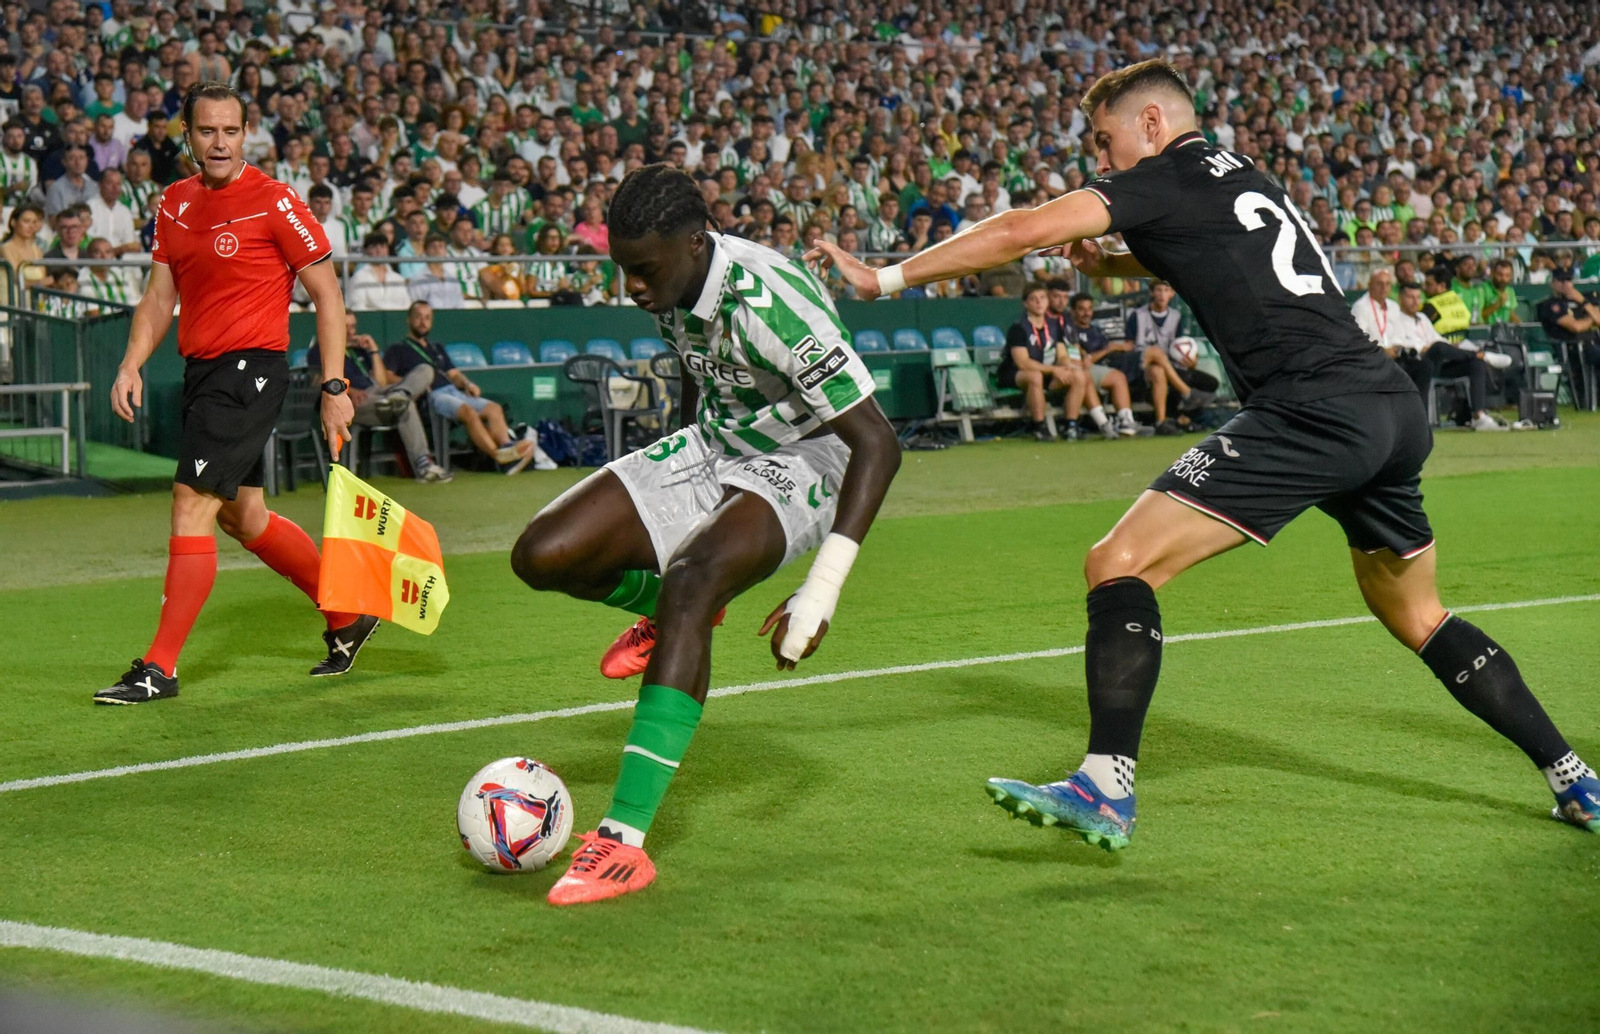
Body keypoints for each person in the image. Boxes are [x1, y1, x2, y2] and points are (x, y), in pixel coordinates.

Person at [808, 59, 1597, 849]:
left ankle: (1105, 785)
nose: (1102, 158)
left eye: (1105, 138)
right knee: (1419, 613)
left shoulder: (1167, 171)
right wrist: (1114, 263)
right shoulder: (1240, 173)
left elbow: (1020, 230)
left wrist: (884, 278)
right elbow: (1210, 252)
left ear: (1152, 123)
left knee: (1118, 563)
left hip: (1310, 408)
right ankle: (1574, 778)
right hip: (1387, 407)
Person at [510, 164, 901, 905]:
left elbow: (879, 443)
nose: (631, 286)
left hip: (814, 452)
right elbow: (698, 365)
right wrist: (682, 466)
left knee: (694, 579)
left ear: (697, 242)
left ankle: (622, 844)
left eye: (643, 269)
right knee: (542, 553)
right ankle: (669, 614)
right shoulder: (673, 277)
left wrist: (820, 591)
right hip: (718, 442)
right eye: (623, 269)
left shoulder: (773, 303)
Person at [99, 82, 377, 706]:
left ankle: (159, 668)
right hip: (202, 374)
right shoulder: (173, 203)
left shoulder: (276, 202)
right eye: (206, 131)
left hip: (251, 369)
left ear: (245, 133)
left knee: (190, 502)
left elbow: (328, 297)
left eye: (230, 131)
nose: (219, 142)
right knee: (241, 516)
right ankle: (347, 616)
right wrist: (130, 363)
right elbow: (158, 298)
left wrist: (335, 385)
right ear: (189, 137)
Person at [382, 300, 546, 474]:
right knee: (469, 412)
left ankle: (507, 448)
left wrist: (467, 384)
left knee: (494, 408)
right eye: (418, 317)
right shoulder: (397, 349)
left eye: (427, 318)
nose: (423, 322)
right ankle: (500, 457)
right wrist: (417, 384)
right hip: (432, 397)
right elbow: (387, 377)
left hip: (453, 391)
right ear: (409, 320)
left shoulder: (436, 348)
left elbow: (453, 374)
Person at [307, 313, 451, 483]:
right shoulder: (321, 349)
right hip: (353, 403)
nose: (351, 332)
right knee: (405, 405)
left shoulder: (359, 349)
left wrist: (374, 351)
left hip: (379, 395)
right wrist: (350, 391)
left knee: (426, 370)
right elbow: (319, 381)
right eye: (346, 327)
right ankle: (424, 466)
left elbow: (381, 382)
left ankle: (401, 393)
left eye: (353, 327)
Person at [996, 283, 1089, 440]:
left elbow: (1061, 355)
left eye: (1042, 298)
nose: (1039, 303)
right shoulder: (1018, 328)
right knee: (1035, 376)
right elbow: (1023, 363)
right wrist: (1054, 370)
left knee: (1078, 375)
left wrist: (1067, 365)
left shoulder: (1054, 326)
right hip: (1014, 373)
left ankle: (1070, 425)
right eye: (1033, 299)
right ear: (1026, 303)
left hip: (1046, 371)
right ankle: (1039, 426)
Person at [1125, 280, 1216, 432]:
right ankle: (1186, 397)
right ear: (1152, 293)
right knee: (1156, 363)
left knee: (1211, 383)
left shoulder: (1176, 316)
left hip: (1170, 368)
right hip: (1144, 367)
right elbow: (1129, 347)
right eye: (1158, 290)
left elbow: (1179, 345)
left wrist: (1191, 360)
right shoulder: (1137, 315)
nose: (1162, 295)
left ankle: (1184, 415)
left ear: (1172, 294)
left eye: (1166, 290)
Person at [1059, 289, 1141, 437]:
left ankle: (1126, 422)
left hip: (1100, 367)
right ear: (1073, 311)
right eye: (1081, 309)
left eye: (1089, 309)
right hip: (1078, 369)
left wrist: (1118, 348)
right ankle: (1104, 424)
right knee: (1088, 377)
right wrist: (1108, 349)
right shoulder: (1071, 330)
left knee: (1119, 377)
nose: (1086, 313)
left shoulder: (1096, 330)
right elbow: (1085, 360)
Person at [1535, 268, 1600, 407]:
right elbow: (1575, 327)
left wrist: (1583, 302)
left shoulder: (1582, 300)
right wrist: (1591, 319)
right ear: (1552, 283)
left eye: (1568, 280)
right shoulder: (1550, 304)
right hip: (1574, 348)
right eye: (1561, 281)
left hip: (1593, 344)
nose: (1565, 284)